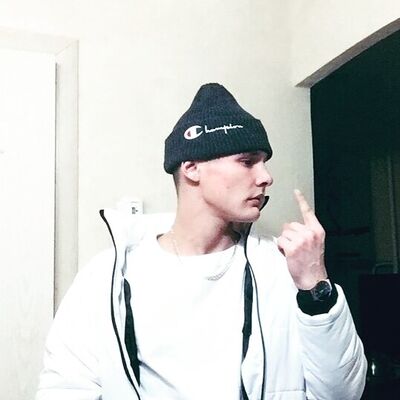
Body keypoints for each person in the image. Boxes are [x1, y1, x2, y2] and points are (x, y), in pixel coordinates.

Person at [36, 83, 367, 400]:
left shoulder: (280, 269)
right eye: (247, 161)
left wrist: (315, 286)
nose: (266, 176)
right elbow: (65, 389)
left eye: (264, 162)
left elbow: (342, 394)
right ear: (192, 168)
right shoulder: (108, 277)